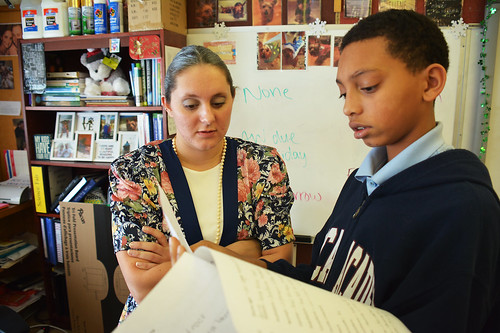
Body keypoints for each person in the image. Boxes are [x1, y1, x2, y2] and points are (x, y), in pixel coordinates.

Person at [169, 10, 500, 332]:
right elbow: (324, 279)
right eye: (344, 92)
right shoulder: (360, 182)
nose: (348, 107)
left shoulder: (462, 208)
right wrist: (232, 267)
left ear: (430, 82)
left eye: (367, 87)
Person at [109, 45, 295, 322]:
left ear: (233, 98)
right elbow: (144, 286)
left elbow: (280, 265)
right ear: (168, 105)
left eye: (218, 102)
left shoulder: (263, 164)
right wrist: (245, 250)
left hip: (244, 318)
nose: (207, 117)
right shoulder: (134, 171)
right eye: (191, 105)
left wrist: (193, 254)